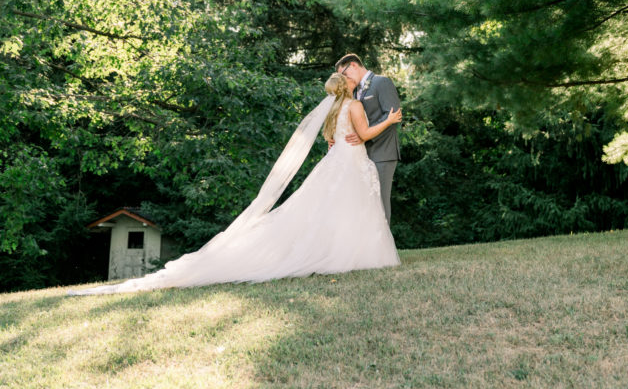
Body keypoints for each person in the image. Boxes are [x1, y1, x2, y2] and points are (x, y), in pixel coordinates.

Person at [69, 72, 401, 294]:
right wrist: (388, 120)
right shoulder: (354, 105)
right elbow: (364, 134)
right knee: (351, 208)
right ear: (348, 87)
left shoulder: (331, 112)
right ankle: (355, 255)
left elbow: (334, 139)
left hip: (336, 161)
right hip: (350, 162)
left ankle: (342, 253)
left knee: (330, 209)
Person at [334, 53, 401, 224]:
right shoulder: (354, 91)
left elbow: (393, 116)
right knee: (366, 204)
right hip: (361, 156)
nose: (344, 79)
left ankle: (385, 249)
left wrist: (364, 135)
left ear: (354, 65)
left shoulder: (382, 82)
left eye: (344, 74)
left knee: (380, 202)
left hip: (383, 152)